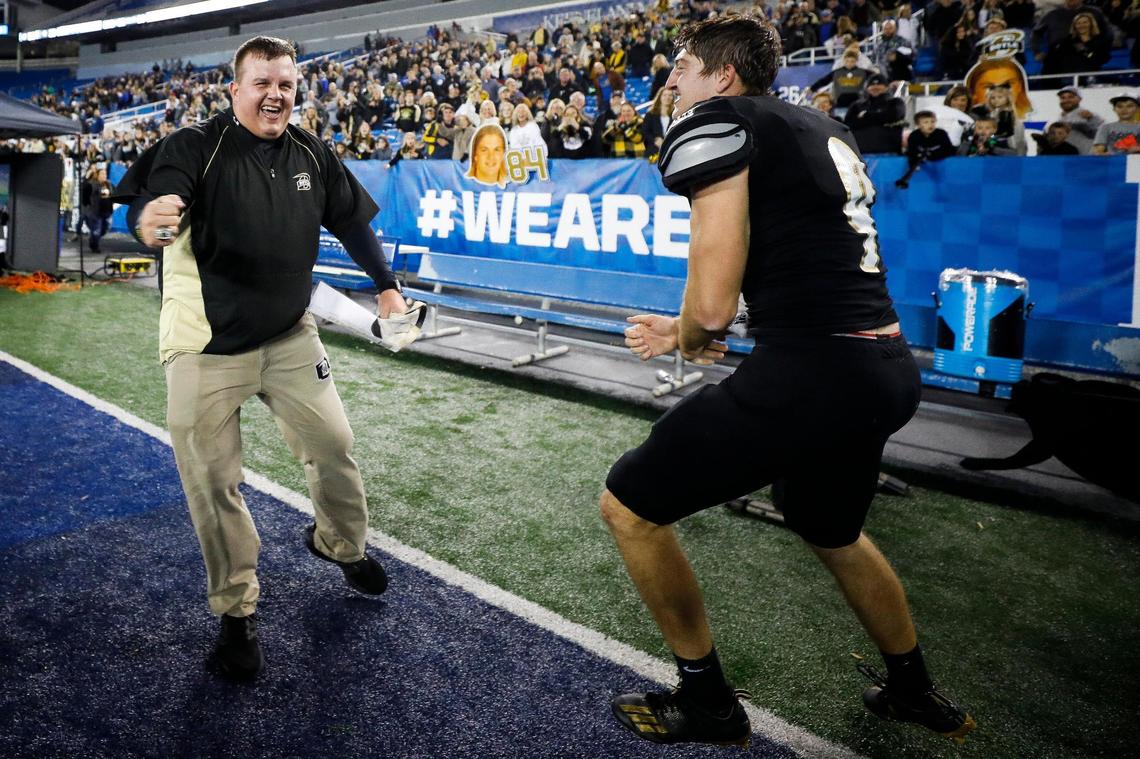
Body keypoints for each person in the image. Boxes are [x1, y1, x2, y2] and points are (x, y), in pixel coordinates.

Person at [605, 14, 975, 748]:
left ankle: (708, 702)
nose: (670, 81)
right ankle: (911, 686)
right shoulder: (816, 126)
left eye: (683, 67)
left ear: (724, 77)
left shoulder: (713, 121)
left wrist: (691, 331)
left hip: (815, 369)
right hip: (883, 364)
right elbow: (792, 257)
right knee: (829, 524)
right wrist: (693, 332)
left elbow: (711, 303)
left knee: (630, 506)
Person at [112, 36, 404, 682]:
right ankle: (237, 614)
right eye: (262, 83)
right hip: (205, 345)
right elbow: (159, 198)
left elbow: (351, 219)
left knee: (335, 443)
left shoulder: (310, 151)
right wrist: (151, 218)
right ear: (234, 88)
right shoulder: (195, 145)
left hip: (289, 334)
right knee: (214, 484)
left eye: (286, 84)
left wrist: (385, 285)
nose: (276, 94)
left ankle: (341, 545)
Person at [844, 73, 907, 154]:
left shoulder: (896, 102)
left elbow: (893, 116)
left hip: (890, 152)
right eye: (872, 85)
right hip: (861, 153)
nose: (875, 87)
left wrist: (865, 116)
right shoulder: (856, 105)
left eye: (879, 84)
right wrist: (880, 118)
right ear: (867, 88)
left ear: (887, 87)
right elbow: (848, 124)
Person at [895, 111, 956, 188]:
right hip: (922, 171)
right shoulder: (914, 136)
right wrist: (914, 163)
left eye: (932, 121)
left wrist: (932, 155)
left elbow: (949, 150)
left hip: (941, 166)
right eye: (926, 122)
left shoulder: (941, 134)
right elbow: (912, 152)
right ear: (918, 124)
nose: (930, 125)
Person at [1056, 85, 1104, 154]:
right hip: (1067, 158)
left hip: (1084, 157)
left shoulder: (1087, 115)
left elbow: (1102, 136)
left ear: (1079, 99)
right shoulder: (1060, 117)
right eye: (1063, 98)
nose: (1066, 100)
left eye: (1070, 97)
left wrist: (1091, 119)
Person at [80, 163, 114, 253]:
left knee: (105, 229)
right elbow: (84, 192)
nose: (104, 176)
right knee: (96, 231)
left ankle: (94, 238)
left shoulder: (109, 184)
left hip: (107, 212)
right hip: (95, 213)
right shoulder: (92, 184)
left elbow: (114, 194)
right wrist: (87, 206)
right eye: (102, 174)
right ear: (98, 175)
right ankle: (94, 246)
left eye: (105, 174)